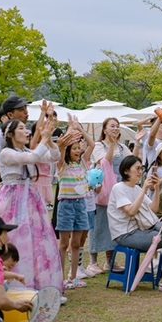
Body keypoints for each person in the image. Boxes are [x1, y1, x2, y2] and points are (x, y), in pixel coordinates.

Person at [0, 118, 63, 292]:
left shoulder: (27, 150)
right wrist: (45, 139)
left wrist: (51, 142)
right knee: (15, 238)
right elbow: (32, 157)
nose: (27, 132)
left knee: (37, 239)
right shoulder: (6, 153)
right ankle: (13, 285)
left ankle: (41, 286)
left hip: (30, 197)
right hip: (12, 199)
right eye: (22, 128)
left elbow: (54, 157)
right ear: (10, 134)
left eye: (27, 128)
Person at [107, 155, 162, 293]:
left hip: (140, 229)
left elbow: (153, 209)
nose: (140, 172)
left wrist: (157, 188)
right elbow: (131, 212)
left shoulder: (136, 188)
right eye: (137, 168)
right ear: (126, 171)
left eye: (141, 168)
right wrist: (144, 189)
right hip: (125, 234)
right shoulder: (119, 188)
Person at [87, 117, 133, 277]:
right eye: (112, 126)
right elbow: (105, 161)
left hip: (119, 189)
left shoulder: (122, 147)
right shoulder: (99, 145)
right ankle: (92, 262)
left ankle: (110, 260)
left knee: (114, 224)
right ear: (104, 129)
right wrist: (112, 144)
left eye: (117, 126)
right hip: (104, 188)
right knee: (98, 223)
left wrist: (138, 143)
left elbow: (131, 161)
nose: (115, 128)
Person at [55, 123, 94, 290]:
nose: (78, 151)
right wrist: (65, 141)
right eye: (75, 149)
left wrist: (81, 130)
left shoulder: (83, 164)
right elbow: (60, 152)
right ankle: (60, 277)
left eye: (79, 148)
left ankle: (73, 276)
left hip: (80, 205)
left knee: (77, 243)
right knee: (64, 243)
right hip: (66, 205)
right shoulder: (62, 166)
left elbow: (92, 144)